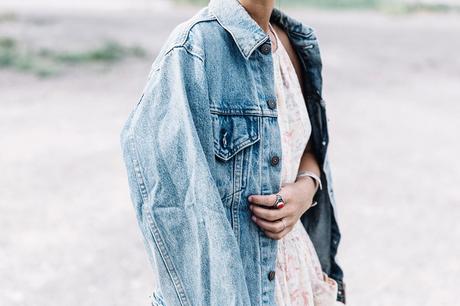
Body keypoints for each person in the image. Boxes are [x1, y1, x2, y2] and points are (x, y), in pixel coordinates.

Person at [120, 0, 345, 305]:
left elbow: (304, 143)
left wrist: (306, 188)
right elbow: (175, 213)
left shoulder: (294, 42)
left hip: (298, 272)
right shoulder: (192, 50)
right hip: (237, 286)